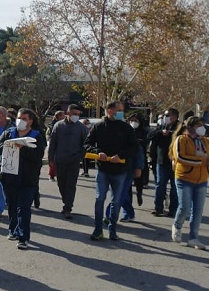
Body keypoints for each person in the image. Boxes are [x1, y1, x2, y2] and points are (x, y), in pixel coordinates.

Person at [84, 101, 137, 241]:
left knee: (116, 201)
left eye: (122, 110)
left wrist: (121, 155)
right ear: (109, 110)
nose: (121, 113)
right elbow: (87, 144)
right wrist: (98, 152)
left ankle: (112, 230)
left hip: (120, 170)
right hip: (102, 169)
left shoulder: (126, 128)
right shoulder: (99, 127)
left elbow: (134, 148)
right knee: (99, 199)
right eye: (118, 110)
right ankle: (98, 230)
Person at [0, 108, 47, 249]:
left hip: (27, 179)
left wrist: (22, 148)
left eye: (24, 118)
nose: (20, 121)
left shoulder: (36, 135)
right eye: (19, 118)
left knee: (23, 208)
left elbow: (38, 154)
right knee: (11, 205)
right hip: (8, 176)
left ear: (30, 121)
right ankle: (13, 230)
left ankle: (23, 237)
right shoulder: (9, 133)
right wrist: (9, 145)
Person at [170, 116, 209, 249]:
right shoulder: (182, 139)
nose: (202, 127)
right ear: (190, 127)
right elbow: (181, 157)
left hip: (202, 180)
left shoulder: (206, 141)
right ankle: (177, 226)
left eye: (203, 125)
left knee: (198, 210)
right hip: (184, 178)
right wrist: (203, 162)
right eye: (199, 125)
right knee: (184, 207)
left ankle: (193, 238)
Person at [48, 104, 88, 219]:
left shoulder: (81, 128)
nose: (76, 116)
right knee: (61, 183)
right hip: (60, 160)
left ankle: (68, 207)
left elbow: (86, 144)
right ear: (68, 113)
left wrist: (80, 156)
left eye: (78, 114)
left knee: (71, 185)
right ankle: (66, 201)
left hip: (74, 161)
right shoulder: (58, 126)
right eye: (74, 114)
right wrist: (51, 158)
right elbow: (53, 143)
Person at [149, 108, 180, 217]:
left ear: (175, 117)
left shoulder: (180, 127)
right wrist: (160, 132)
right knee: (160, 185)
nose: (166, 117)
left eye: (168, 115)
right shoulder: (161, 126)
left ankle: (173, 209)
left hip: (175, 162)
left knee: (174, 187)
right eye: (165, 115)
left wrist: (170, 133)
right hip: (161, 161)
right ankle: (158, 208)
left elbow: (182, 138)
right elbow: (150, 136)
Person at [46, 110, 66, 181]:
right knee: (53, 160)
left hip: (61, 145)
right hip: (54, 144)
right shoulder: (53, 124)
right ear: (59, 116)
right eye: (63, 115)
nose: (65, 116)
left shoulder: (64, 124)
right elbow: (50, 135)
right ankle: (51, 175)